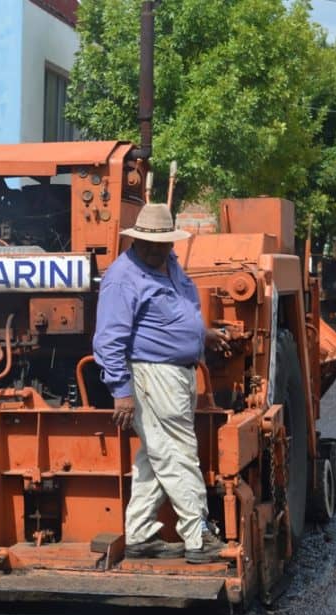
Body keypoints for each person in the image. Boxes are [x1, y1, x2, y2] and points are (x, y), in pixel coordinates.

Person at [92, 203, 230, 564]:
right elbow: (108, 339)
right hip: (152, 375)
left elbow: (177, 315)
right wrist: (121, 392)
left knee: (156, 455)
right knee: (177, 452)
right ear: (135, 241)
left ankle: (140, 535)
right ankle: (198, 536)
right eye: (148, 244)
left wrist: (204, 335)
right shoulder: (124, 277)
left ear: (171, 243)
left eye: (162, 243)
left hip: (177, 372)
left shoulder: (170, 266)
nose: (155, 249)